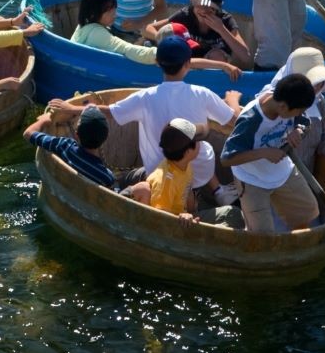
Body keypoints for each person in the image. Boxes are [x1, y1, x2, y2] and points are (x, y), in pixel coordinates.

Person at [91, 33, 240, 194]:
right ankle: (217, 192)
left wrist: (74, 108)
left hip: (160, 175)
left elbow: (110, 112)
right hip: (200, 172)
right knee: (203, 146)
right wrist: (233, 101)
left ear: (157, 63)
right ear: (188, 64)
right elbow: (235, 121)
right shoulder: (203, 93)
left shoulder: (145, 97)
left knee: (129, 179)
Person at [220, 72, 321, 233]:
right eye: (296, 112)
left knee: (308, 212)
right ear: (283, 107)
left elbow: (304, 121)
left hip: (283, 172)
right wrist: (264, 153)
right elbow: (226, 159)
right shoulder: (251, 121)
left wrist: (299, 130)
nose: (298, 115)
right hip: (252, 180)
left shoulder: (288, 102)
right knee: (262, 235)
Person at [24, 101, 151, 201]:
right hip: (109, 198)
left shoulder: (64, 146)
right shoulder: (106, 176)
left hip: (77, 192)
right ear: (105, 138)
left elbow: (28, 133)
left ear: (77, 133)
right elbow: (112, 199)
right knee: (143, 182)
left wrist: (43, 121)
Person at [265, 47, 325, 178]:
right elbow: (261, 140)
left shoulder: (319, 99)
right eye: (311, 81)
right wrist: (284, 137)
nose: (317, 86)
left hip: (307, 175)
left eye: (319, 81)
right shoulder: (272, 102)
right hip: (277, 179)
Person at [167, 0, 253, 68]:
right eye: (200, 5)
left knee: (217, 56)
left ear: (219, 8)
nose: (204, 11)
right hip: (188, 62)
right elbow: (154, 28)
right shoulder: (185, 15)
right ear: (191, 0)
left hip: (215, 65)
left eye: (211, 8)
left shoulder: (225, 20)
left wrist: (222, 29)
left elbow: (245, 56)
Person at [70, 0, 157, 63]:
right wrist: (161, 53)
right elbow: (128, 49)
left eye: (114, 10)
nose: (115, 15)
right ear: (93, 13)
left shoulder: (83, 25)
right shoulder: (98, 33)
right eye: (109, 11)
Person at [154, 19, 241, 81]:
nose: (186, 50)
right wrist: (224, 66)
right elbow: (189, 62)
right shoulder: (154, 54)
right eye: (181, 48)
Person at [147, 120, 201, 218]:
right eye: (197, 140)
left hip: (186, 217)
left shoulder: (184, 165)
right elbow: (160, 218)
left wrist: (192, 212)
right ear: (188, 152)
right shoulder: (166, 183)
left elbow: (187, 191)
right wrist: (183, 216)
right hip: (177, 223)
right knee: (231, 213)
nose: (200, 143)